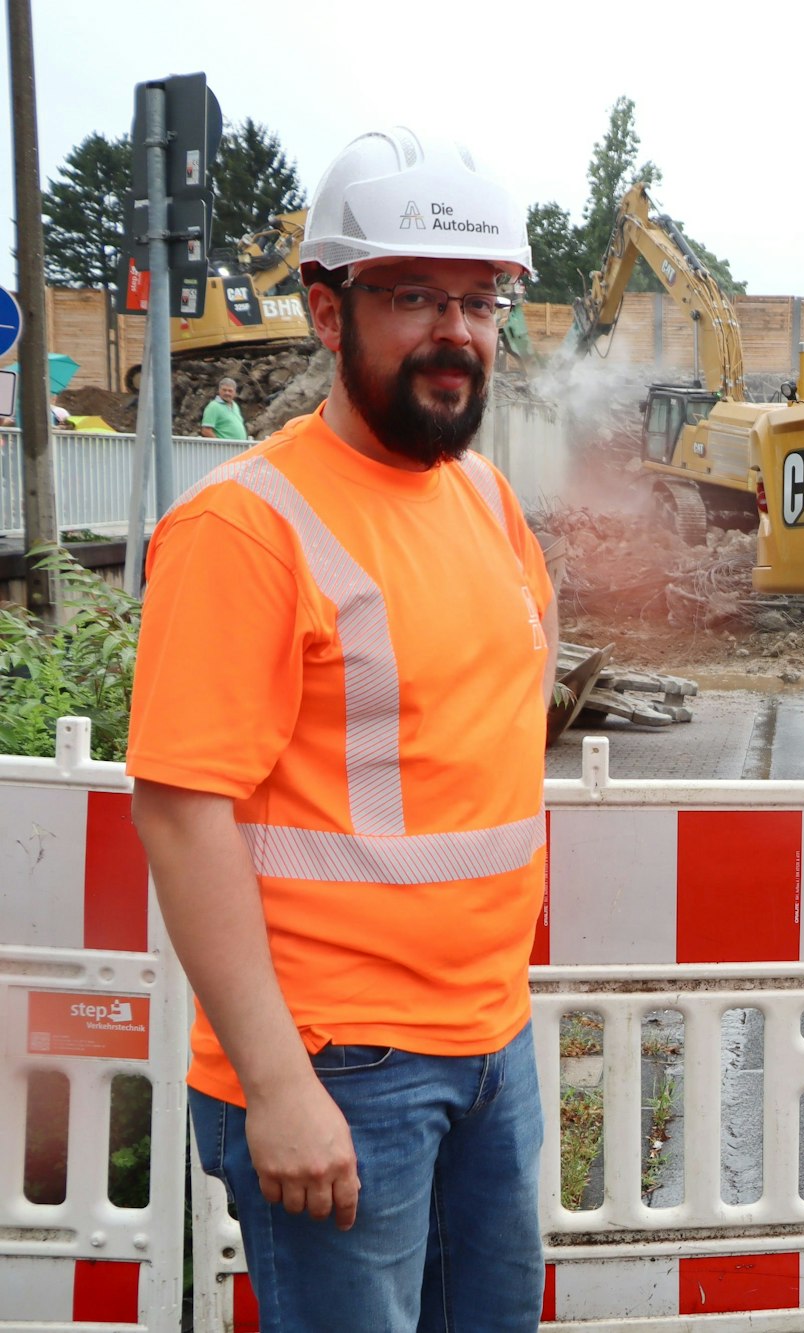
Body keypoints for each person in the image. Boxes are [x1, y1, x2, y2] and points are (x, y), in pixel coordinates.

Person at [127, 126, 555, 1330]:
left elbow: (497, 707)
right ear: (328, 312)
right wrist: (276, 1087)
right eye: (414, 295)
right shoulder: (245, 530)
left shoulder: (482, 496)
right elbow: (178, 808)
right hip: (338, 1062)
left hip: (488, 1034)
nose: (455, 333)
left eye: (478, 301)